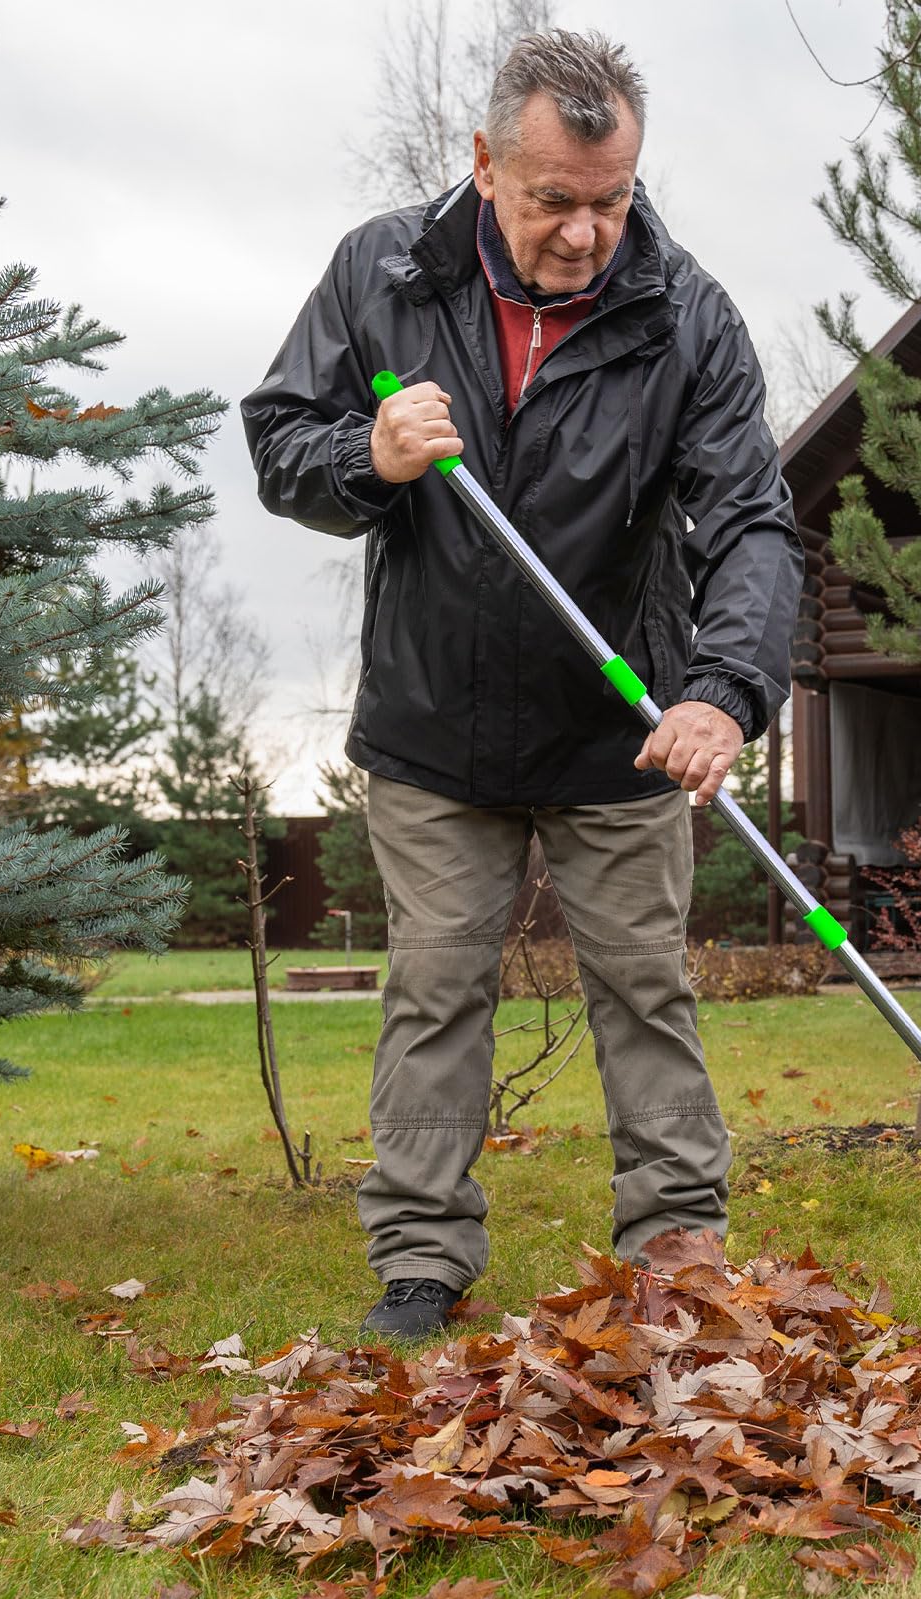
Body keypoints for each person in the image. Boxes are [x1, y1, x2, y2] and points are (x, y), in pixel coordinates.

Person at [241, 29, 802, 1339]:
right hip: (434, 722)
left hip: (623, 729)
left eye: (610, 202)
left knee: (643, 986)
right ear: (486, 163)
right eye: (555, 200)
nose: (584, 233)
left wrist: (724, 690)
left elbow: (754, 524)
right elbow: (279, 438)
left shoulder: (685, 315)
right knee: (436, 986)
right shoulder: (384, 274)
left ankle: (677, 1253)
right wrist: (368, 454)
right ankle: (422, 1265)